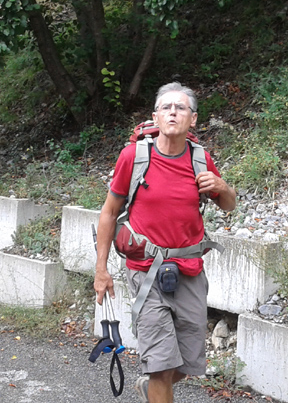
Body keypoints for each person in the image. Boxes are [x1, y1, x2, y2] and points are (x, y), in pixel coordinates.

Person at [94, 82, 237, 403]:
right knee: (160, 366)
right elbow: (109, 212)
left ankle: (151, 390)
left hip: (190, 272)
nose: (173, 113)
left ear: (193, 119)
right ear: (156, 117)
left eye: (181, 108)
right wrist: (101, 269)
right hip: (145, 272)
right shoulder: (134, 157)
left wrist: (222, 186)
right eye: (166, 107)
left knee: (186, 365)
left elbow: (229, 204)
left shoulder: (201, 160)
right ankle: (156, 385)